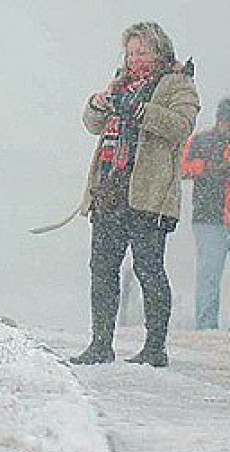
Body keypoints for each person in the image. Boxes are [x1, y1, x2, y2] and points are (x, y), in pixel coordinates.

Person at [70, 22, 200, 368]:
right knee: (102, 269)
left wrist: (140, 111)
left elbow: (180, 128)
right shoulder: (120, 83)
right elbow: (92, 123)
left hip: (149, 195)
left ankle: (155, 348)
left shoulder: (178, 83)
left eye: (141, 51)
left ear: (159, 51)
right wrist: (99, 102)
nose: (133, 58)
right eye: (130, 52)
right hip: (109, 190)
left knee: (149, 269)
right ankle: (100, 344)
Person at [181, 97, 230, 330]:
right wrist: (207, 168)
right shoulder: (201, 140)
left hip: (211, 216)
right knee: (209, 274)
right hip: (209, 218)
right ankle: (206, 328)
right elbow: (181, 166)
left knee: (209, 275)